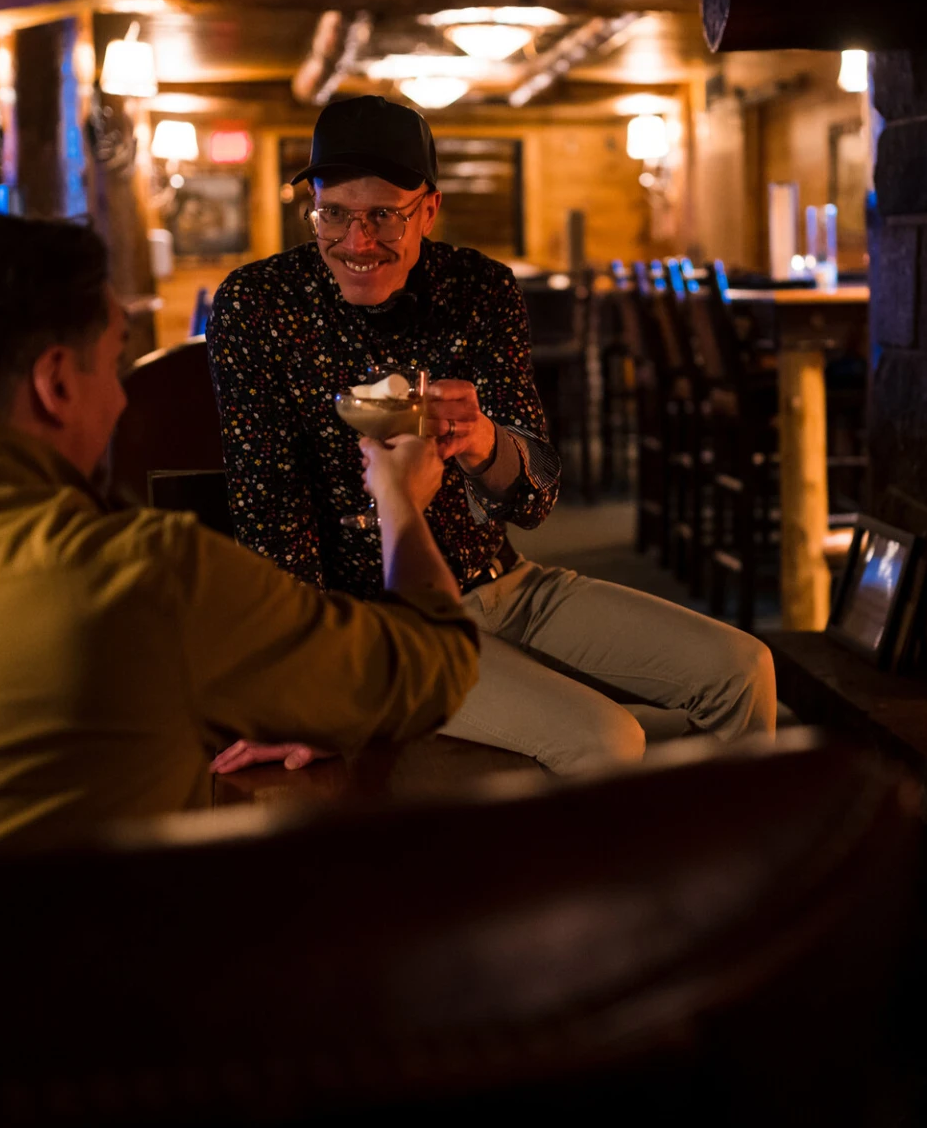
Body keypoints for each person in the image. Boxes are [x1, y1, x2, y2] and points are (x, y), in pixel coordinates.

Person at [0, 211, 478, 866]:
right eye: (113, 364)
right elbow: (433, 664)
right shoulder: (142, 577)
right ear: (55, 383)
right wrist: (399, 499)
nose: (119, 400)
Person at [207, 95, 775, 775]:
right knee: (608, 739)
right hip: (380, 626)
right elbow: (269, 520)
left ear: (428, 210)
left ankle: (735, 841)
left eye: (384, 215)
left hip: (507, 585)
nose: (357, 242)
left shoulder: (479, 289)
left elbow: (535, 499)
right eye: (334, 214)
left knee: (744, 668)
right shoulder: (258, 305)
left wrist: (482, 442)